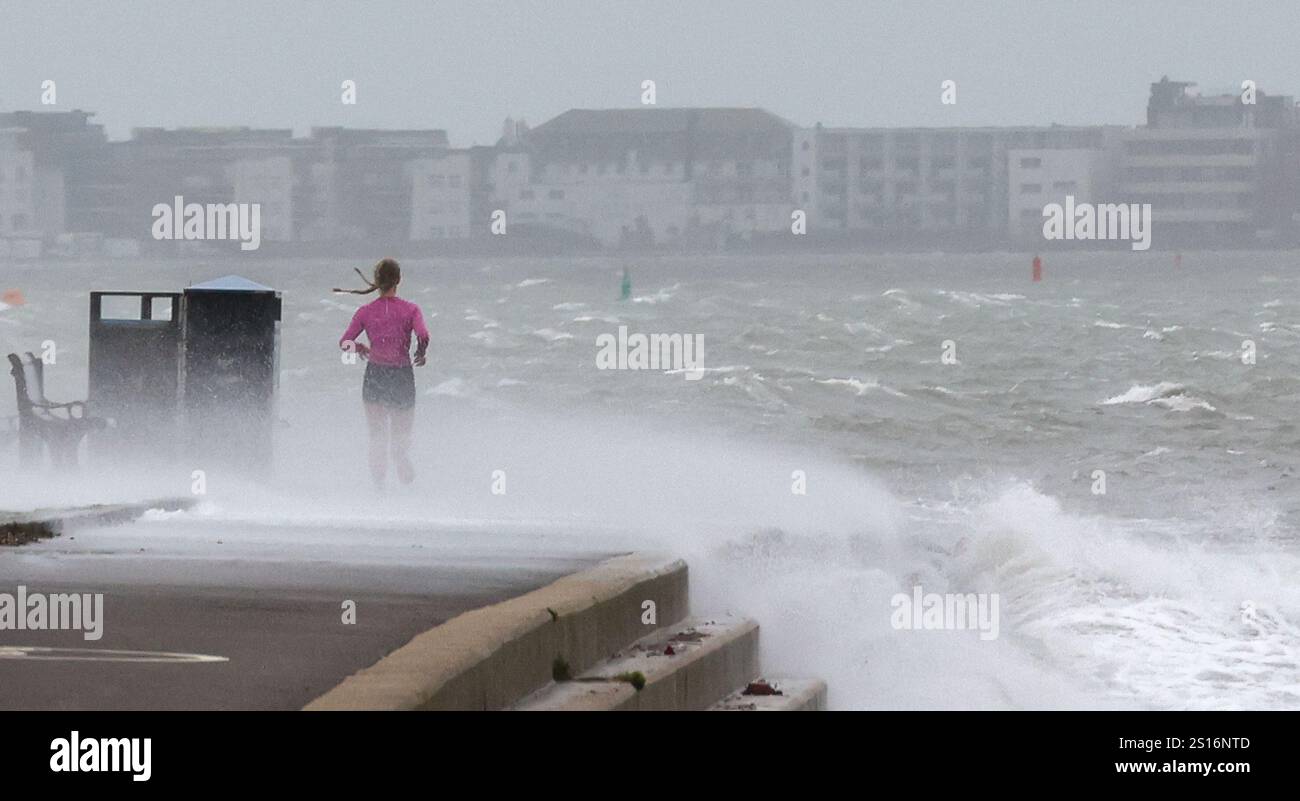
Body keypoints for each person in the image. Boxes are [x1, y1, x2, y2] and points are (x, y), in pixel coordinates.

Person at [335, 259, 429, 488]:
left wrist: (360, 348)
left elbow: (345, 343)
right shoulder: (411, 309)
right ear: (398, 280)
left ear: (377, 282)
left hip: (375, 374)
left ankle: (379, 490)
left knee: (377, 436)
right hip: (402, 376)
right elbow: (424, 335)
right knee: (400, 437)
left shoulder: (365, 311)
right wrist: (421, 352)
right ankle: (402, 468)